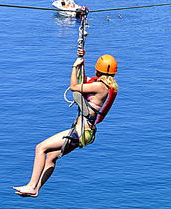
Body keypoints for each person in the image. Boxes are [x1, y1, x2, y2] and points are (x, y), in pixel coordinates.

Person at [13, 49, 118, 197]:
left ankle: (31, 185)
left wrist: (74, 66)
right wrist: (82, 60)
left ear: (98, 69)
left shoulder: (100, 86)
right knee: (51, 157)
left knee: (40, 148)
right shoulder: (104, 86)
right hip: (86, 133)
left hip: (79, 132)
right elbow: (84, 80)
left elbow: (75, 86)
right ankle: (36, 190)